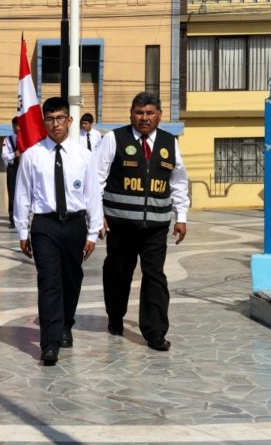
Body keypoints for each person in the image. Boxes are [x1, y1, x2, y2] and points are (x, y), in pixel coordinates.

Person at [93, 91, 189, 352]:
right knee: (118, 273)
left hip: (156, 227)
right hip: (120, 225)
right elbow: (96, 180)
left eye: (149, 113)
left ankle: (155, 331)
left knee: (155, 276)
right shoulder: (114, 139)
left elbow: (179, 182)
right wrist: (96, 217)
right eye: (139, 113)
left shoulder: (170, 142)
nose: (144, 118)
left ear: (159, 116)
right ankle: (115, 315)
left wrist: (181, 217)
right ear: (131, 115)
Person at [14, 97, 102, 366]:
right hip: (45, 225)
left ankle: (65, 324)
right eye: (50, 119)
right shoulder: (32, 155)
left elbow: (93, 196)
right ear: (44, 122)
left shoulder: (85, 156)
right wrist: (22, 230)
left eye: (60, 118)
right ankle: (49, 342)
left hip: (75, 224)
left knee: (71, 280)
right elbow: (22, 195)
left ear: (69, 121)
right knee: (49, 282)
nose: (56, 124)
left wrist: (92, 233)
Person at [1, 116, 21, 229]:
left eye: (19, 125)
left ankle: (23, 217)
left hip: (23, 168)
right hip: (13, 168)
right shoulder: (7, 139)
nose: (17, 128)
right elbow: (4, 156)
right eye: (15, 126)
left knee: (24, 194)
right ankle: (12, 218)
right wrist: (14, 155)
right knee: (12, 194)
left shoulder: (27, 139)